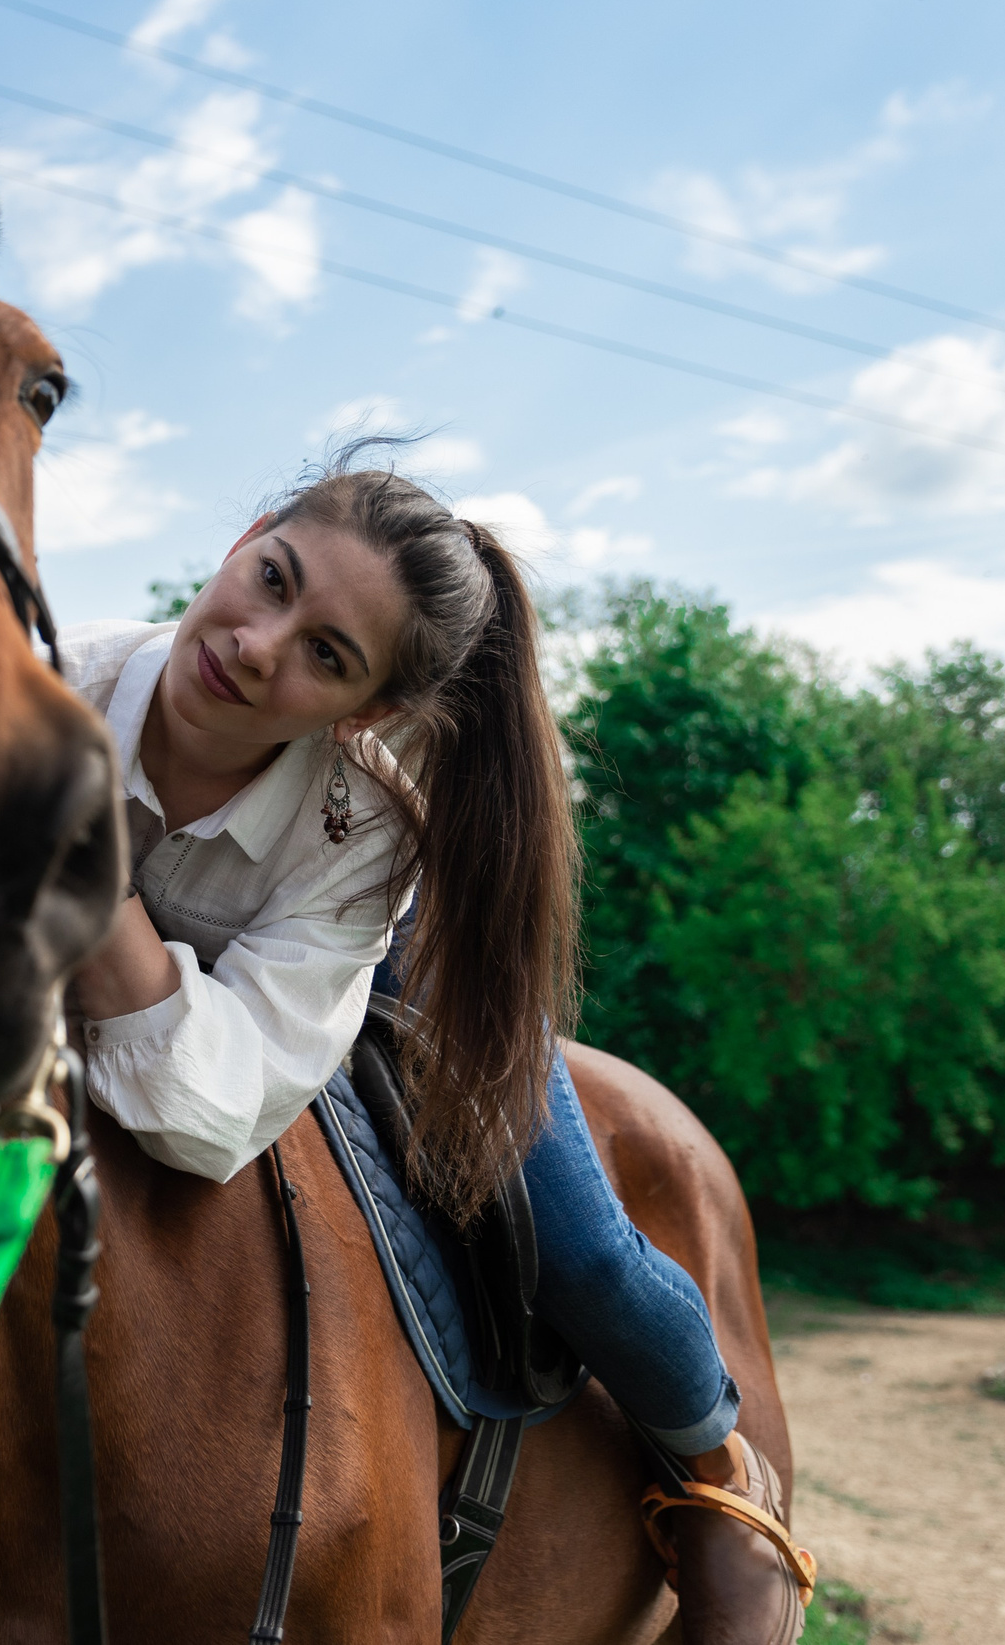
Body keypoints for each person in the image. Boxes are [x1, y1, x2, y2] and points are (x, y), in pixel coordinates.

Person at [62, 446, 811, 1645]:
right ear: (243, 534)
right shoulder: (52, 683)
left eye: (326, 652)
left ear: (365, 713)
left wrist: (89, 895)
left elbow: (216, 1106)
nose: (258, 641)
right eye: (271, 578)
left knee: (574, 1242)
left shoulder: (368, 828)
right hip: (181, 981)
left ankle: (722, 1485)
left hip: (362, 959)